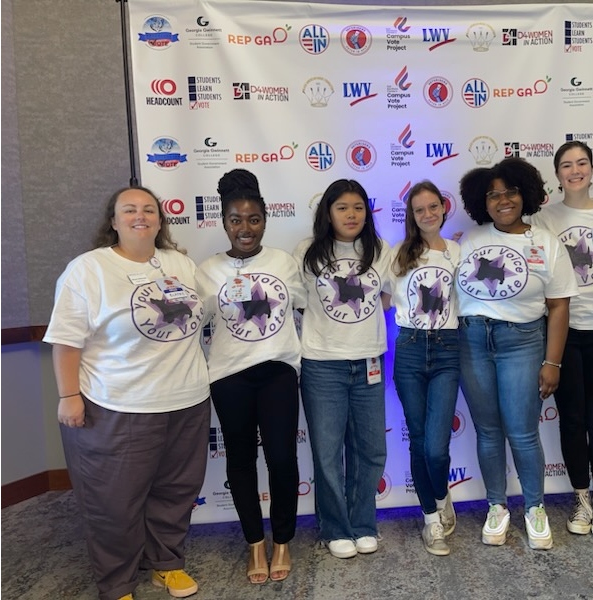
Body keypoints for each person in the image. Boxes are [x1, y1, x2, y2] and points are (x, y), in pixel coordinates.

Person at [43, 187, 210, 600]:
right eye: (129, 210)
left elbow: (204, 313)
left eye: (149, 209)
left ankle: (167, 564)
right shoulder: (88, 270)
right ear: (113, 221)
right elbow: (66, 341)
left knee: (176, 491)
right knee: (113, 503)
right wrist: (68, 396)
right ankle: (117, 583)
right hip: (118, 404)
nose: (141, 216)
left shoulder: (180, 264)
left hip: (186, 399)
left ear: (159, 220)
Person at [456, 157, 578, 550]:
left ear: (524, 194)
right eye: (493, 195)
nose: (502, 200)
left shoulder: (545, 242)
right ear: (482, 202)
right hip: (473, 341)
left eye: (509, 192)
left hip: (522, 342)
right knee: (488, 431)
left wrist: (552, 361)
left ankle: (535, 507)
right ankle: (497, 506)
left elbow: (559, 306)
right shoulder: (470, 240)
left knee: (523, 433)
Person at [196, 169, 305, 584]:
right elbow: (190, 323)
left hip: (277, 371)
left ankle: (282, 541)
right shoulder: (205, 270)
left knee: (282, 459)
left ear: (265, 220)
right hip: (229, 376)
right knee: (240, 461)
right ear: (224, 223)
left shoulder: (282, 262)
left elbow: (307, 306)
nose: (245, 228)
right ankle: (254, 544)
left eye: (254, 219)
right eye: (236, 220)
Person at [292, 179, 392, 559]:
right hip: (322, 365)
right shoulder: (308, 252)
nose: (351, 215)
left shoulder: (378, 250)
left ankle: (364, 523)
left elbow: (385, 299)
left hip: (369, 360)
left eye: (359, 207)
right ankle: (335, 528)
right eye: (342, 207)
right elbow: (300, 304)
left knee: (371, 450)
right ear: (328, 212)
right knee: (328, 453)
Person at [527, 141, 593, 538]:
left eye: (582, 163)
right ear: (557, 173)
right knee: (573, 419)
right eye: (567, 165)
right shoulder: (544, 219)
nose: (575, 170)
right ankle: (580, 497)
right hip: (563, 333)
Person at [388, 180, 461, 556]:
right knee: (418, 439)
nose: (428, 214)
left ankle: (441, 490)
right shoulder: (398, 254)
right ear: (412, 216)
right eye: (420, 210)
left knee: (436, 447)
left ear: (443, 208)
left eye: (434, 207)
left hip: (449, 350)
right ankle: (431, 519)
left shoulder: (458, 252)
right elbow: (378, 298)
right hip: (410, 349)